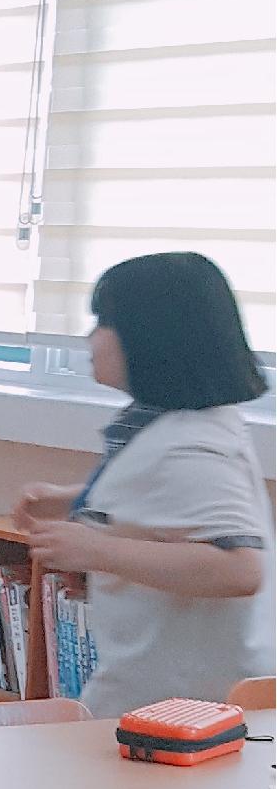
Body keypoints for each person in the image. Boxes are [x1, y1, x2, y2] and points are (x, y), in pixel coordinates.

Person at [14, 252, 272, 718]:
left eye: (102, 322)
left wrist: (95, 550)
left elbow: (239, 569)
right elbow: (161, 500)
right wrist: (70, 499)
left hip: (186, 705)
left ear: (150, 337)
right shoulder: (173, 424)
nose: (90, 337)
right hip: (162, 693)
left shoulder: (190, 445)